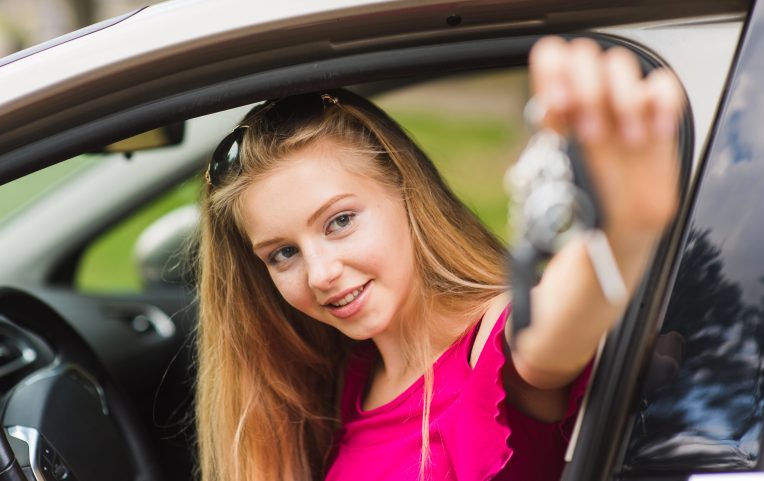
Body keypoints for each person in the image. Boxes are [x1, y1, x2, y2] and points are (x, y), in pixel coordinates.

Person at [195, 37, 683, 481]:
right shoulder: (350, 377)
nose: (321, 273)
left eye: (339, 221)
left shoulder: (489, 346)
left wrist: (622, 232)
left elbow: (547, 340)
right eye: (283, 253)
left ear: (406, 193)